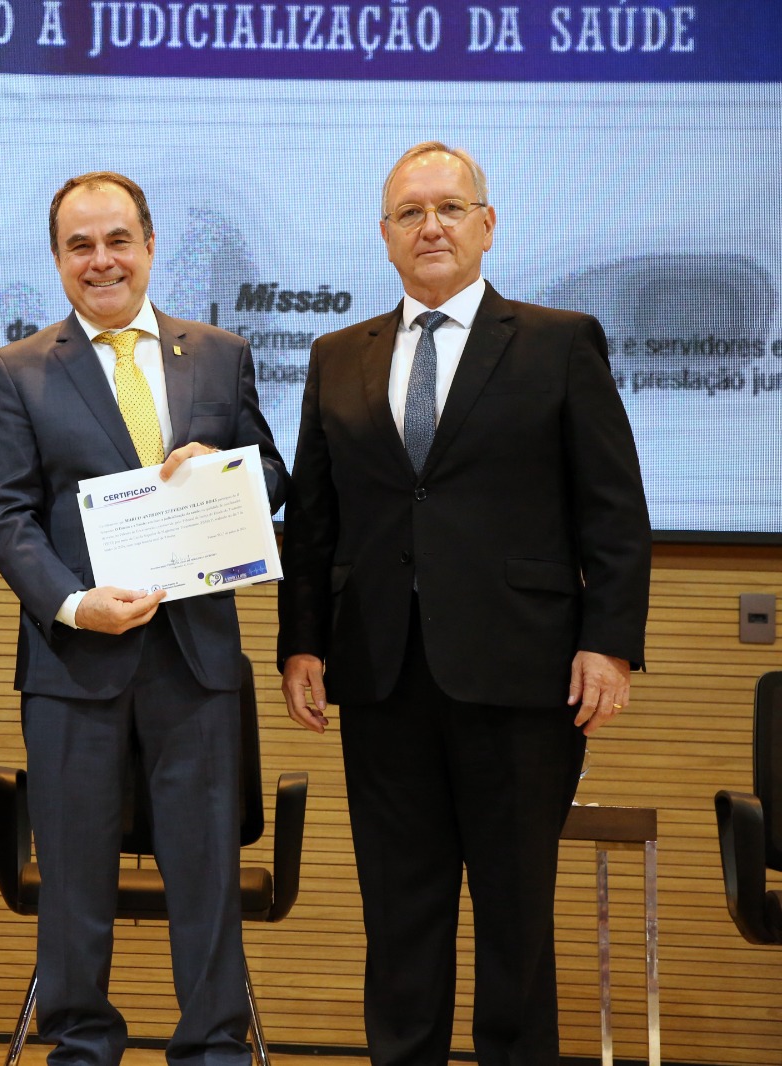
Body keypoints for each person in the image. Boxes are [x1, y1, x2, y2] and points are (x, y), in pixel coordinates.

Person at [277, 142, 651, 1065]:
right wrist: (300, 645)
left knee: (516, 916)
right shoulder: (337, 355)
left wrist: (609, 643)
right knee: (400, 915)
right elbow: (315, 523)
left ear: (488, 225)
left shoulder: (561, 342)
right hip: (381, 676)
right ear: (385, 236)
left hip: (521, 677)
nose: (430, 226)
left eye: (450, 208)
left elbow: (614, 511)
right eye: (410, 213)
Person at [0, 171, 287, 1066]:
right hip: (75, 662)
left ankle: (214, 1048)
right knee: (73, 877)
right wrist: (74, 604)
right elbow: (3, 511)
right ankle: (80, 1046)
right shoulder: (18, 369)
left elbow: (273, 474)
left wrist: (227, 471)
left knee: (206, 875)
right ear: (58, 260)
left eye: (118, 240)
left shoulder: (220, 355)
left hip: (196, 661)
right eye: (80, 245)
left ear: (150, 246)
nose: (101, 260)